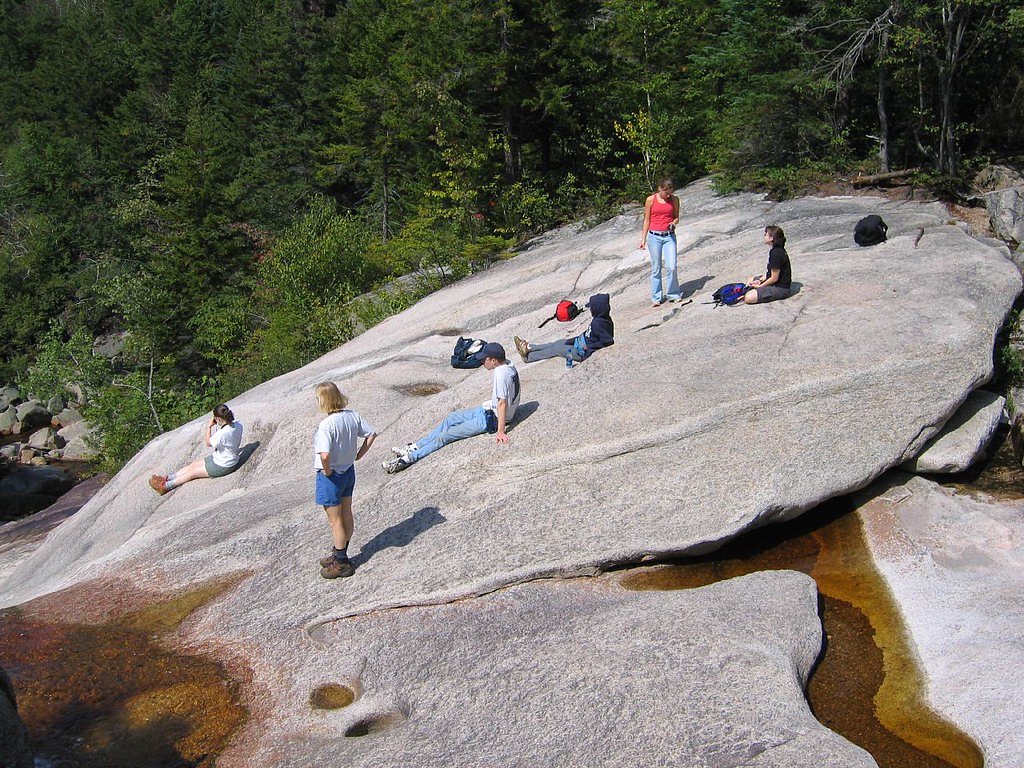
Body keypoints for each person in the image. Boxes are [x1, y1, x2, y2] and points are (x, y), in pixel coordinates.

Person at [383, 342, 520, 474]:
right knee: (452, 418)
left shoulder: (501, 374)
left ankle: (406, 460)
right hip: (488, 409)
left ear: (494, 360)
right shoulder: (508, 364)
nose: (482, 361)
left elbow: (502, 403)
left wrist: (501, 431)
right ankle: (414, 447)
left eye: (485, 359)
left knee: (445, 436)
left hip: (493, 419)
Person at [313, 382, 377, 579]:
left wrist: (327, 471)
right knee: (346, 513)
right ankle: (340, 551)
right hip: (348, 471)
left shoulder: (326, 425)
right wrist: (359, 455)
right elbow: (371, 434)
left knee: (335, 520)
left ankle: (341, 562)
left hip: (331, 477)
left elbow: (325, 455)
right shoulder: (352, 416)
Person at [150, 404, 243, 494]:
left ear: (218, 418)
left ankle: (165, 486)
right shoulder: (238, 425)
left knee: (192, 473)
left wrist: (209, 427)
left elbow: (208, 442)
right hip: (222, 458)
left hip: (224, 465)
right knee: (193, 465)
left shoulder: (222, 433)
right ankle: (168, 478)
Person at [513, 293, 614, 366]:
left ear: (598, 308)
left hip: (580, 352)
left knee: (556, 349)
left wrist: (588, 352)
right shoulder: (598, 320)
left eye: (592, 307)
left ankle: (528, 357)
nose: (591, 309)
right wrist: (573, 340)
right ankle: (529, 348)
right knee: (558, 342)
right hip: (578, 343)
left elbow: (607, 341)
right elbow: (590, 336)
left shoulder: (600, 323)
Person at [638, 177, 681, 307]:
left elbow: (677, 217)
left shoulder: (674, 200)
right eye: (666, 191)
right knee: (656, 267)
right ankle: (656, 296)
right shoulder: (650, 200)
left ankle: (673, 294)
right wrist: (643, 239)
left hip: (669, 236)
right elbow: (647, 220)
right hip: (654, 236)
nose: (668, 194)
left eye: (670, 191)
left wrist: (673, 223)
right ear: (660, 189)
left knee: (671, 266)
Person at [743, 225, 792, 304]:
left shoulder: (776, 254)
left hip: (781, 288)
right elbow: (770, 271)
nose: (764, 236)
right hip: (773, 282)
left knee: (748, 298)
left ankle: (757, 292)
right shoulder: (774, 250)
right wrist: (760, 280)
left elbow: (774, 278)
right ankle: (757, 291)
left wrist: (760, 286)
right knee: (750, 279)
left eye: (766, 234)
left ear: (771, 238)